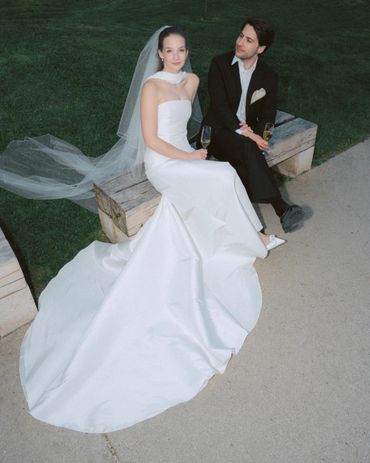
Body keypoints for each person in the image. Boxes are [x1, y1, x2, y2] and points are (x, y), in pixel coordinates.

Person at [19, 26, 285, 434]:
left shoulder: (192, 81)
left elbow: (189, 123)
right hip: (165, 164)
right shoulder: (151, 88)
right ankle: (254, 237)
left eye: (181, 50)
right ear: (160, 54)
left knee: (223, 177)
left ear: (186, 53)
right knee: (220, 177)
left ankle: (247, 236)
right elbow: (151, 142)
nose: (176, 57)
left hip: (186, 154)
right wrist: (191, 156)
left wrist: (200, 151)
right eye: (169, 51)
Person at [203, 17, 305, 233]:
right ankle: (281, 208)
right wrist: (250, 136)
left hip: (245, 139)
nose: (240, 42)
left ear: (261, 48)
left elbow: (268, 114)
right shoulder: (219, 64)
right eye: (241, 35)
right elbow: (220, 108)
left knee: (246, 160)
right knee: (248, 148)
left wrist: (262, 138)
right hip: (219, 133)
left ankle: (249, 223)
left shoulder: (268, 76)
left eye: (249, 40)